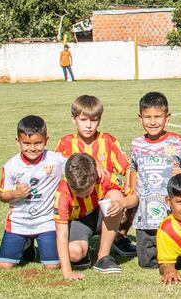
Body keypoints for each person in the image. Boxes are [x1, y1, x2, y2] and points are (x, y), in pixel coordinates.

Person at [55, 95, 137, 257]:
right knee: (75, 255)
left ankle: (116, 240)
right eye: (84, 120)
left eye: (94, 120)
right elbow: (56, 175)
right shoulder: (65, 143)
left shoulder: (107, 141)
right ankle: (79, 246)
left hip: (103, 206)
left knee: (117, 194)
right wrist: (92, 161)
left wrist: (126, 202)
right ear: (74, 119)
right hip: (78, 213)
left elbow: (128, 169)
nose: (88, 126)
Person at [124, 92, 181, 268]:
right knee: (146, 263)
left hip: (170, 212)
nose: (153, 122)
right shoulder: (137, 144)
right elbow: (133, 169)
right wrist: (132, 193)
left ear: (167, 117)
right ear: (140, 118)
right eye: (147, 117)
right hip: (145, 212)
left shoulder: (177, 142)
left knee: (177, 257)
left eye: (158, 116)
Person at [0, 116, 67, 270]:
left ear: (46, 140)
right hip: (18, 222)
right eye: (27, 143)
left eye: (38, 143)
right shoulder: (11, 166)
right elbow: (2, 196)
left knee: (52, 266)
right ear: (18, 141)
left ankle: (37, 244)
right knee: (4, 266)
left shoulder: (54, 160)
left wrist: (95, 163)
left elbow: (75, 164)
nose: (32, 148)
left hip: (46, 221)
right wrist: (16, 194)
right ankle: (26, 245)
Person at [54, 153, 132, 278]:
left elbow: (134, 197)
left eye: (87, 190)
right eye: (78, 192)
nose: (83, 195)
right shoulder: (62, 194)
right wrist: (67, 272)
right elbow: (61, 233)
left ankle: (103, 257)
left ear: (95, 176)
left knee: (115, 196)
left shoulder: (104, 178)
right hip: (79, 221)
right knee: (74, 254)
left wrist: (122, 203)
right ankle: (85, 252)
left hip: (101, 215)